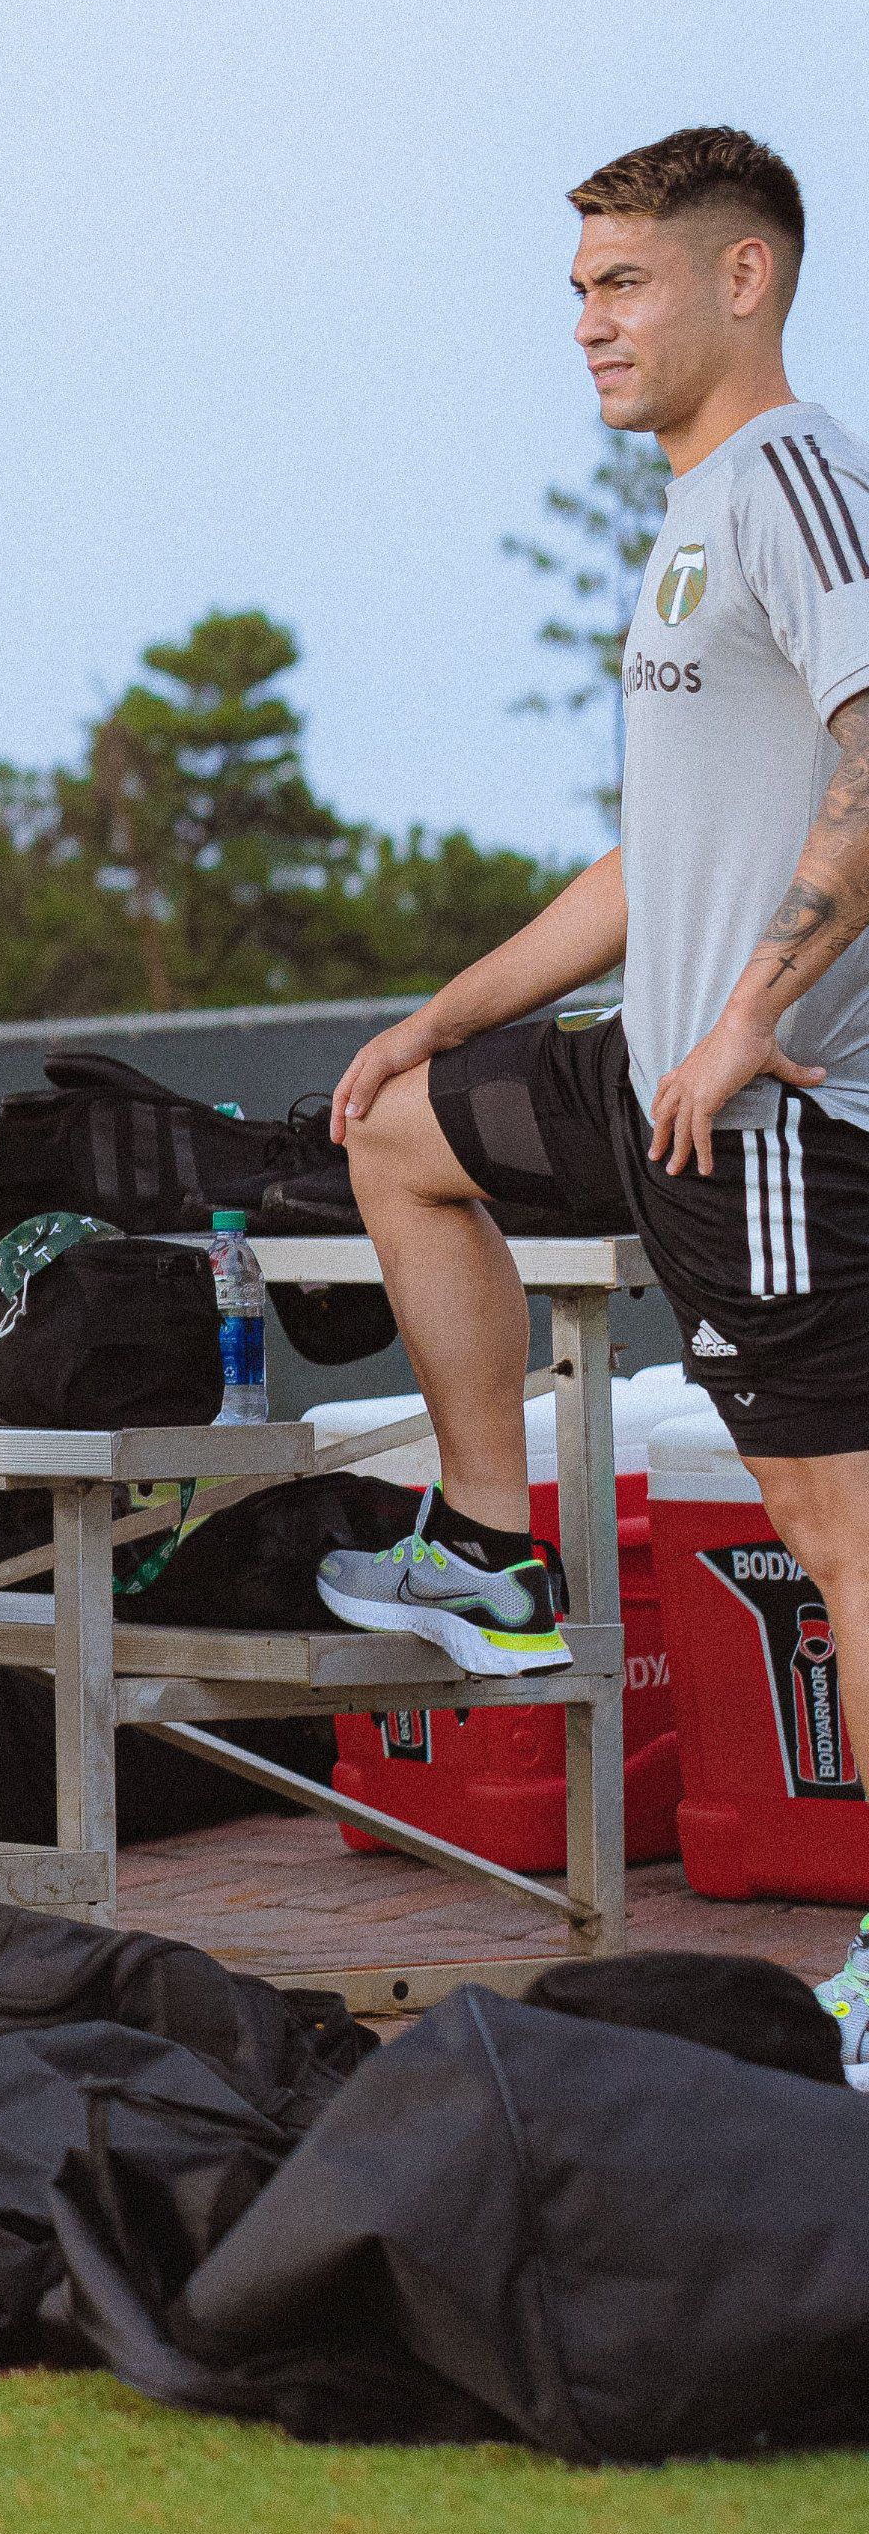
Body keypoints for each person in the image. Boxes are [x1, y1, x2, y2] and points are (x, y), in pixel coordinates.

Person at [324, 127, 869, 1679]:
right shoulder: (693, 512)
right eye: (580, 289)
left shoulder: (798, 481)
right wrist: (434, 1022)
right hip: (656, 1077)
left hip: (766, 1117)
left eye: (625, 282)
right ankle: (494, 1547)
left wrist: (746, 1016)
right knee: (395, 1129)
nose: (588, 324)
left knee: (844, 1543)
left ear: (745, 275)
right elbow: (662, 858)